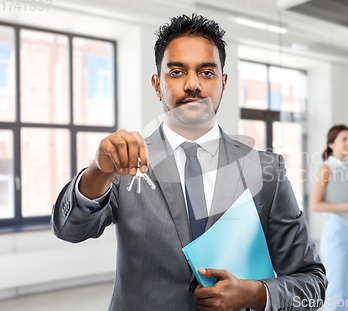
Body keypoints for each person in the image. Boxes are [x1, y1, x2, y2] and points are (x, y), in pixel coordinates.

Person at [51, 14, 326, 311]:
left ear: (223, 83)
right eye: (177, 72)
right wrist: (98, 171)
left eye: (207, 73)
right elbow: (70, 230)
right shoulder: (124, 164)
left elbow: (312, 282)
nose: (193, 85)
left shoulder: (266, 171)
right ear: (157, 85)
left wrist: (256, 294)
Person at [309, 125, 348, 310]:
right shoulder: (327, 168)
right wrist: (347, 206)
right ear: (331, 144)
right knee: (335, 290)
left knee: (346, 290)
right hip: (336, 230)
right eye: (344, 139)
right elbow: (315, 204)